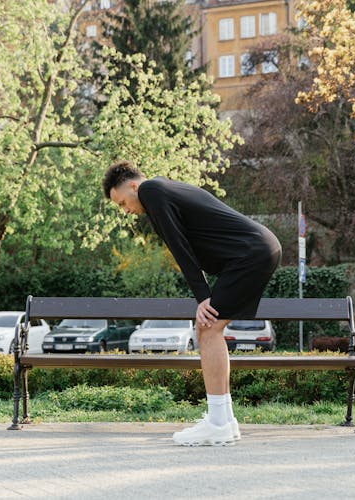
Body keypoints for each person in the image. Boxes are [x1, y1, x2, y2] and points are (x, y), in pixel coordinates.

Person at [102, 160, 281, 446]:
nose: (125, 211)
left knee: (206, 328)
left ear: (134, 186)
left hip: (250, 253)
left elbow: (178, 244)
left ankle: (218, 423)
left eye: (123, 202)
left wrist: (202, 297)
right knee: (212, 329)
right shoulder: (163, 188)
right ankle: (225, 420)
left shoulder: (151, 190)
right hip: (257, 249)